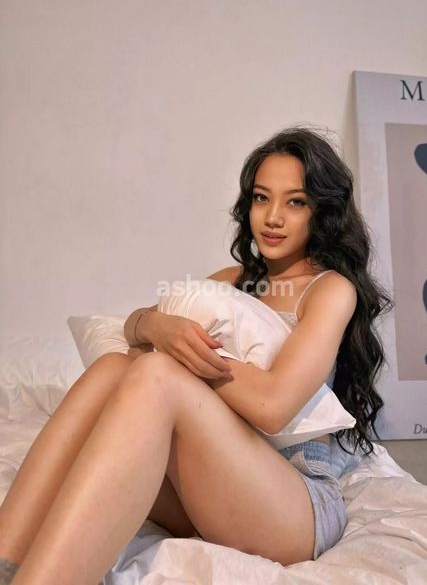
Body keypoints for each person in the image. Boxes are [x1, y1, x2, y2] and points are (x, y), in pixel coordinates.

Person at [0, 126, 393, 584]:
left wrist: (180, 355)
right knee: (114, 367)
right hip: (214, 486)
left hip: (292, 502)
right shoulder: (232, 280)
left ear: (322, 211)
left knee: (156, 373)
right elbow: (136, 326)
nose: (273, 217)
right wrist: (154, 326)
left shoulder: (329, 289)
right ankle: (7, 556)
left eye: (295, 202)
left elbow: (273, 405)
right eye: (262, 198)